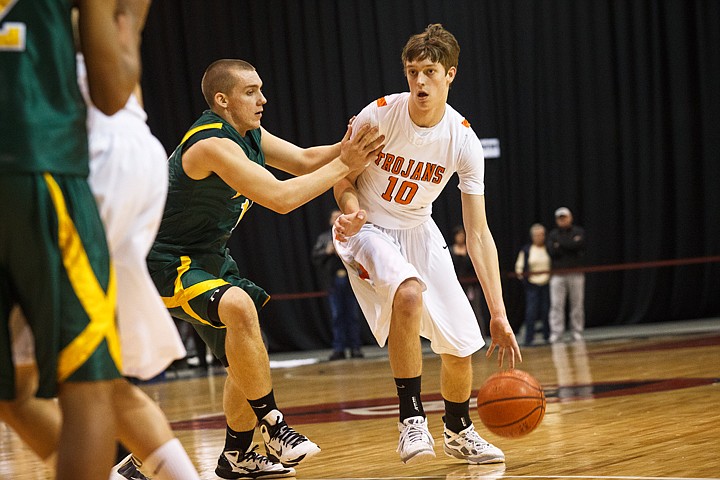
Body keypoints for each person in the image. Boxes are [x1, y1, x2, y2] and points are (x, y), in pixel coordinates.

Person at [146, 59, 384, 479]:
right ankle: (274, 426)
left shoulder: (249, 134)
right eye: (251, 91)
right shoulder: (210, 144)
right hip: (166, 258)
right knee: (240, 307)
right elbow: (280, 197)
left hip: (209, 257)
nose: (263, 98)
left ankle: (235, 456)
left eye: (261, 89)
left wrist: (349, 145)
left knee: (245, 354)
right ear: (222, 100)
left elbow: (306, 160)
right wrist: (347, 164)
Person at [0, 2, 200, 479]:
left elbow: (110, 88)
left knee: (87, 377)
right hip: (99, 151)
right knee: (32, 387)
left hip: (87, 152)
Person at [332, 24, 521, 466]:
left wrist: (498, 312)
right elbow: (343, 174)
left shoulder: (462, 139)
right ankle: (410, 419)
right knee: (409, 292)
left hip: (420, 228)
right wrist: (350, 206)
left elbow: (478, 233)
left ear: (449, 74)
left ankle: (458, 428)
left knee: (462, 344)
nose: (419, 81)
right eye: (412, 71)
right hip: (369, 228)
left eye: (429, 72)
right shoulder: (377, 116)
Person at [312, 209, 365, 361]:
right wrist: (327, 252)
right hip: (333, 281)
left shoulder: (351, 237)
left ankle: (355, 348)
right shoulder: (324, 238)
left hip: (351, 281)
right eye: (334, 217)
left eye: (339, 217)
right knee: (337, 316)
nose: (337, 220)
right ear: (330, 221)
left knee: (353, 316)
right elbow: (315, 258)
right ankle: (339, 349)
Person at [547, 207, 587, 343]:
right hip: (558, 275)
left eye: (565, 217)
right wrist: (569, 244)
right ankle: (556, 333)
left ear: (570, 218)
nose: (563, 220)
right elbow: (552, 251)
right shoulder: (552, 234)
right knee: (556, 305)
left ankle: (577, 332)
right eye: (560, 218)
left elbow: (578, 245)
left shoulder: (578, 231)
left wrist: (561, 244)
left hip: (576, 273)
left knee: (577, 304)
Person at [514, 223, 551, 346]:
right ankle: (529, 338)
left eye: (541, 235)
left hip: (547, 283)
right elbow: (519, 267)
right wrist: (524, 278)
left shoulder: (548, 248)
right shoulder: (527, 249)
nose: (539, 237)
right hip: (532, 285)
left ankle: (547, 336)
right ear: (532, 236)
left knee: (547, 310)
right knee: (531, 311)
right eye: (536, 235)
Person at [449, 225, 486, 336]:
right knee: (458, 311)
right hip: (456, 285)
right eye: (458, 235)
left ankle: (480, 336)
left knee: (476, 310)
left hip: (472, 285)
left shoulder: (471, 249)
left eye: (462, 235)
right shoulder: (450, 251)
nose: (460, 237)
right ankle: (460, 337)